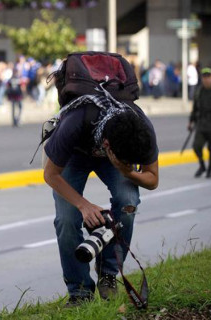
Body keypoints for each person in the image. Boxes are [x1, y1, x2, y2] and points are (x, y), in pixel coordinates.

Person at [43, 94, 159, 306]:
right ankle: (79, 292)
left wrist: (128, 171)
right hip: (75, 154)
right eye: (127, 162)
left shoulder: (141, 130)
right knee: (67, 219)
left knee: (128, 200)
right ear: (106, 145)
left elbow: (152, 180)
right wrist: (83, 205)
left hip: (114, 158)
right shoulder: (74, 123)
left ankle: (108, 273)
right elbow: (50, 175)